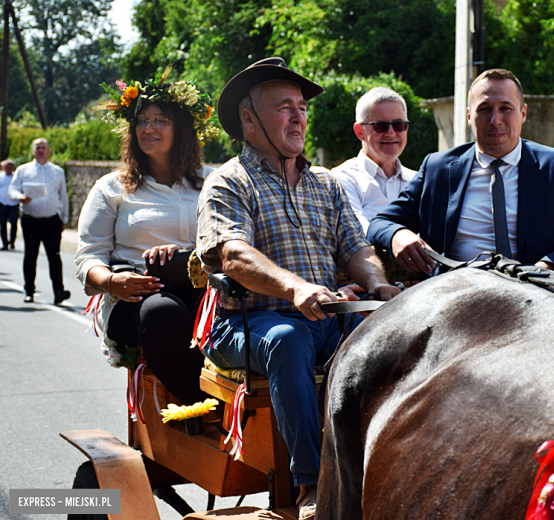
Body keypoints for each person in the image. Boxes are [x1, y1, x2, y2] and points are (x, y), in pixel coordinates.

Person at [197, 57, 400, 520]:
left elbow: (356, 247)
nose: (298, 116)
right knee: (287, 340)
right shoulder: (229, 181)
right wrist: (295, 288)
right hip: (245, 324)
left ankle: (378, 466)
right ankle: (312, 483)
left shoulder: (325, 183)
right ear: (248, 120)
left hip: (323, 317)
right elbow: (234, 255)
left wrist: (379, 286)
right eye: (284, 107)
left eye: (302, 107)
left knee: (387, 336)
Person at [368, 68, 554, 277]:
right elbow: (380, 223)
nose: (495, 120)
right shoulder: (438, 169)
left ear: (523, 114)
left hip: (538, 298)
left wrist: (546, 267)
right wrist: (397, 235)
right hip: (453, 297)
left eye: (506, 108)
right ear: (468, 116)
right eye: (484, 109)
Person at [75, 73, 218, 405]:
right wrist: (112, 281)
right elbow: (88, 257)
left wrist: (187, 255)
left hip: (204, 292)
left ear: (181, 129)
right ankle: (198, 408)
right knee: (161, 314)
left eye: (159, 120)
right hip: (136, 298)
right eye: (141, 120)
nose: (147, 128)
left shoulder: (211, 181)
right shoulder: (113, 187)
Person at [331, 87, 416, 233]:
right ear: (360, 131)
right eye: (380, 126)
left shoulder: (417, 180)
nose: (391, 133)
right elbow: (359, 237)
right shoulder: (341, 179)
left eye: (398, 125)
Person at [8, 138, 70, 303]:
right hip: (31, 220)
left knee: (54, 256)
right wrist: (20, 197)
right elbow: (12, 189)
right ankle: (29, 290)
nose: (41, 150)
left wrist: (64, 218)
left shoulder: (57, 171)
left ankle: (58, 290)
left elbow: (63, 196)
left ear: (49, 150)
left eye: (44, 148)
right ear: (32, 151)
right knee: (30, 256)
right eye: (38, 148)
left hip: (51, 221)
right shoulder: (23, 170)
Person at [0, 159, 19, 250]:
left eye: (10, 167)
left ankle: (12, 241)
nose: (8, 169)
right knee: (2, 224)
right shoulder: (0, 177)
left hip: (13, 204)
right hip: (2, 204)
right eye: (7, 167)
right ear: (3, 167)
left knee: (13, 223)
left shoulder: (16, 177)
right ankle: (5, 243)